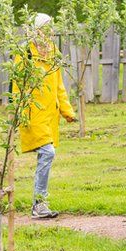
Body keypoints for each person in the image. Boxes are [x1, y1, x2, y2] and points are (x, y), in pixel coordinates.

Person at [14, 13, 77, 219]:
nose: (48, 32)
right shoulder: (25, 53)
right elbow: (18, 87)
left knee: (46, 154)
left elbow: (59, 85)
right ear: (36, 30)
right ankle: (39, 204)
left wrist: (67, 111)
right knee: (48, 152)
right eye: (45, 28)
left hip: (50, 115)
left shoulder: (53, 53)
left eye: (51, 28)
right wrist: (20, 113)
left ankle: (39, 204)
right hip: (32, 114)